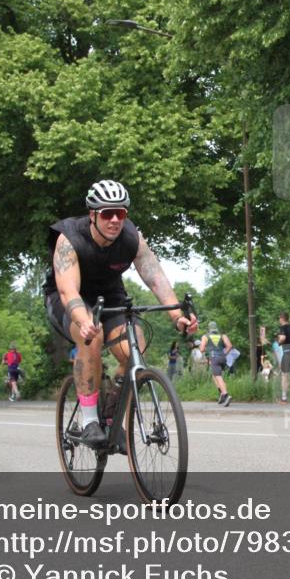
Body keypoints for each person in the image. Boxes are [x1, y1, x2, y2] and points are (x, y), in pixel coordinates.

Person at [43, 179, 198, 448]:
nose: (115, 220)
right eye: (107, 214)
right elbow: (68, 290)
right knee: (92, 338)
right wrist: (83, 321)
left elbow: (155, 276)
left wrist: (177, 316)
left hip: (110, 296)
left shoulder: (130, 237)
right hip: (67, 298)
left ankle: (113, 412)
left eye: (121, 213)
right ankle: (90, 421)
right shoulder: (69, 238)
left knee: (134, 347)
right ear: (93, 215)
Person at [199, 322, 233, 406]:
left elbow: (202, 349)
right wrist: (224, 353)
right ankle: (221, 394)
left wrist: (205, 347)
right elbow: (229, 346)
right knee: (215, 375)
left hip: (214, 358)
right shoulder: (223, 335)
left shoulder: (205, 336)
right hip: (222, 358)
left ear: (209, 328)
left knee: (218, 376)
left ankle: (226, 394)